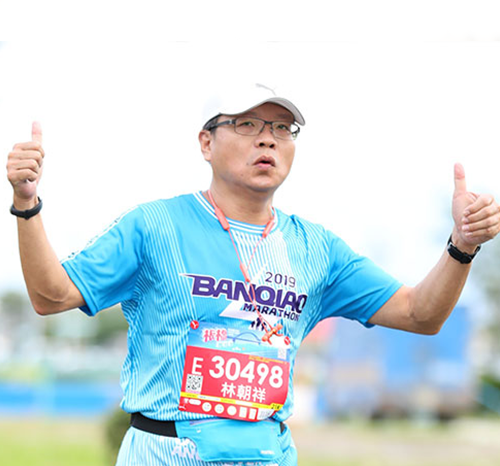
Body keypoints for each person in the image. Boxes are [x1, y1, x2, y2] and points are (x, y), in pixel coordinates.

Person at [6, 83, 500, 466]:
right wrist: (27, 204)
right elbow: (51, 296)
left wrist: (462, 246)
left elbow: (420, 314)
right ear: (206, 142)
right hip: (164, 451)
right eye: (247, 124)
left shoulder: (317, 249)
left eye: (283, 128)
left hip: (269, 453)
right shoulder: (154, 226)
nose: (268, 138)